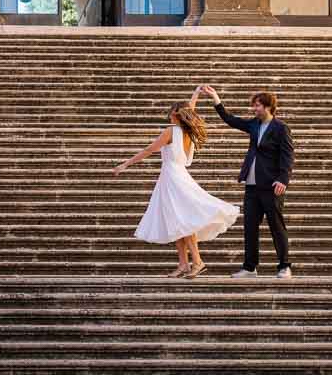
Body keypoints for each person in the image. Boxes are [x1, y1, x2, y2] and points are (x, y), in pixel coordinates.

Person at [113, 89, 239, 279]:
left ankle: (197, 261)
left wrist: (125, 164)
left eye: (170, 112)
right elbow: (191, 111)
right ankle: (183, 264)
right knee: (176, 221)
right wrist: (195, 95)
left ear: (174, 114)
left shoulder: (171, 131)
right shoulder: (188, 131)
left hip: (173, 178)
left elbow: (150, 149)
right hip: (177, 176)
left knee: (183, 221)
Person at [200, 84, 294, 279]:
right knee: (250, 228)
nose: (254, 109)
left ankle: (284, 266)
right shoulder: (254, 125)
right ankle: (250, 267)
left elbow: (287, 156)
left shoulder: (280, 128)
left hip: (271, 186)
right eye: (254, 105)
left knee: (277, 226)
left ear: (268, 107)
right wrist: (216, 99)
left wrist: (283, 179)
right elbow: (230, 120)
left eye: (258, 105)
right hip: (251, 186)